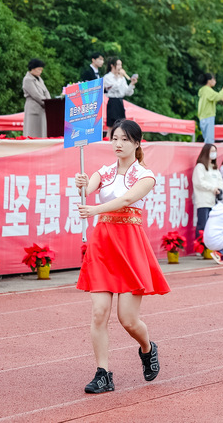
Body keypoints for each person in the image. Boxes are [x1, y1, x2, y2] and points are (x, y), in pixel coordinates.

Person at [75, 119, 169, 394]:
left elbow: (127, 200)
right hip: (102, 246)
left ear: (137, 143)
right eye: (114, 138)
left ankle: (148, 348)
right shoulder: (103, 172)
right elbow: (87, 189)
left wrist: (94, 210)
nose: (117, 144)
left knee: (127, 319)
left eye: (124, 139)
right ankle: (103, 373)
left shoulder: (145, 176)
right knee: (98, 313)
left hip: (129, 246)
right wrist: (81, 184)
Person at [193, 144, 223, 239]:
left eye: (215, 151)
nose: (214, 153)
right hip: (203, 201)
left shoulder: (214, 168)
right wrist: (212, 188)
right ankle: (200, 247)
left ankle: (210, 246)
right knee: (202, 224)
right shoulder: (200, 167)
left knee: (212, 225)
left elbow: (220, 181)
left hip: (213, 201)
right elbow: (199, 182)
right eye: (212, 151)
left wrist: (219, 189)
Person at [103, 57, 137, 139]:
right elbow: (114, 88)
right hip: (112, 101)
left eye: (121, 65)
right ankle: (108, 141)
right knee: (111, 126)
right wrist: (120, 78)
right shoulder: (107, 77)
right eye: (118, 64)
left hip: (120, 102)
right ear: (112, 65)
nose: (120, 67)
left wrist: (132, 84)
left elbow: (127, 92)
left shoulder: (121, 78)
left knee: (121, 125)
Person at [22, 59, 52, 138]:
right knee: (33, 130)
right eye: (39, 69)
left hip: (42, 107)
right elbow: (35, 95)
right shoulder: (27, 79)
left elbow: (46, 91)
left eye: (41, 70)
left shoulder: (40, 79)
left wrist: (49, 102)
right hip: (33, 107)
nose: (40, 72)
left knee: (42, 130)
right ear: (33, 68)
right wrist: (46, 103)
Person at [198, 73, 223, 144]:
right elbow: (217, 96)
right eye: (214, 79)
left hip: (203, 117)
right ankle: (209, 154)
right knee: (209, 141)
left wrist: (222, 98)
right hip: (208, 116)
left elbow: (215, 97)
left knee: (207, 139)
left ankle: (206, 153)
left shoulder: (203, 90)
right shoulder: (207, 90)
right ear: (209, 81)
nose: (215, 81)